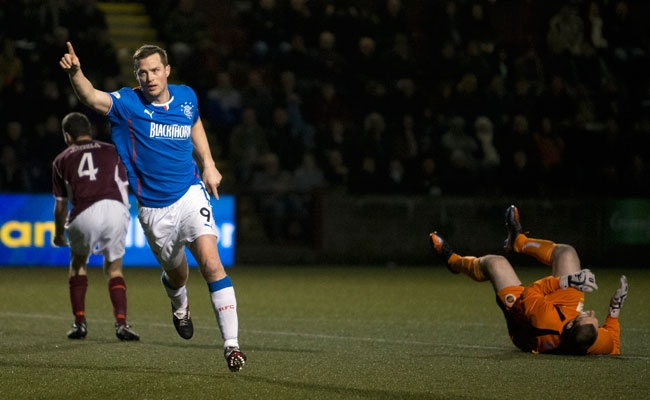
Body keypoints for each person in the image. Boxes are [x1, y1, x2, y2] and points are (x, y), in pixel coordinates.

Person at [59, 42, 246, 371]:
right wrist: (76, 73)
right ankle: (179, 302)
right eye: (142, 72)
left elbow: (194, 122)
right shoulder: (127, 104)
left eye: (155, 70)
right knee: (177, 274)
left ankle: (232, 346)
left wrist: (209, 164)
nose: (149, 77)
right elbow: (90, 96)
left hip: (190, 193)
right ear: (137, 75)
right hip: (153, 210)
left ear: (167, 70)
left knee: (212, 264)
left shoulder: (186, 96)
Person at [429, 205, 628, 355]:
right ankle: (519, 241)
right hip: (564, 310)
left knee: (496, 263)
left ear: (569, 326)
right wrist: (614, 309)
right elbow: (613, 345)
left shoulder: (544, 319)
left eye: (586, 315)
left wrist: (567, 282)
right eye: (594, 318)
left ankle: (453, 261)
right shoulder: (591, 341)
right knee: (566, 253)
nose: (592, 311)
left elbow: (531, 292)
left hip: (524, 317)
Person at [52, 112, 140, 342]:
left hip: (85, 212)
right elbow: (125, 180)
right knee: (114, 269)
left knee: (78, 264)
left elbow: (60, 205)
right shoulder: (112, 150)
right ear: (89, 130)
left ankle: (79, 323)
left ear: (67, 135)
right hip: (115, 208)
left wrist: (59, 233)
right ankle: (122, 324)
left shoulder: (61, 160)